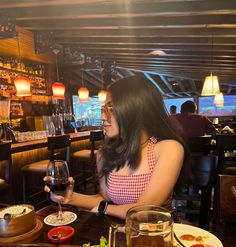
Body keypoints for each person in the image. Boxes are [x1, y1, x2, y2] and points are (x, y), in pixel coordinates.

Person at [45, 75, 185, 220]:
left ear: (135, 109)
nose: (103, 117)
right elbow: (104, 198)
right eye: (103, 109)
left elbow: (143, 211)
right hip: (118, 232)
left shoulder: (168, 149)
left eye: (110, 109)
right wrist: (70, 197)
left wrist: (103, 209)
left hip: (155, 235)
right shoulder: (104, 154)